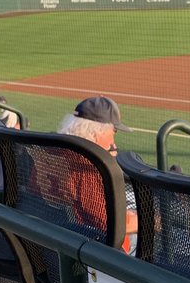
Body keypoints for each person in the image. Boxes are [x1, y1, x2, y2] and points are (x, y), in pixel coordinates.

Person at [54, 95, 138, 250]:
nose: (114, 142)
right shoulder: (86, 166)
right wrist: (150, 220)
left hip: (56, 240)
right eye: (114, 131)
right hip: (94, 254)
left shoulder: (54, 151)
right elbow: (111, 224)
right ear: (97, 132)